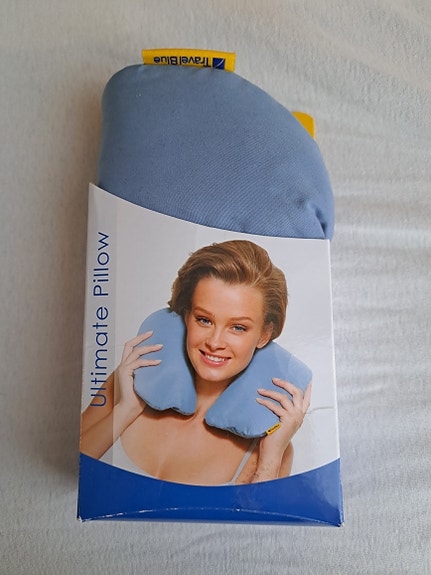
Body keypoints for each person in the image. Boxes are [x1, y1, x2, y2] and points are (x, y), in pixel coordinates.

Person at [80, 240, 311, 486]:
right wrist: (125, 409)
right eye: (204, 320)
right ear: (186, 315)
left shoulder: (270, 443)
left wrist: (272, 455)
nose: (215, 342)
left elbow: (256, 512)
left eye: (238, 327)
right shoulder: (132, 380)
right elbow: (72, 473)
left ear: (264, 335)